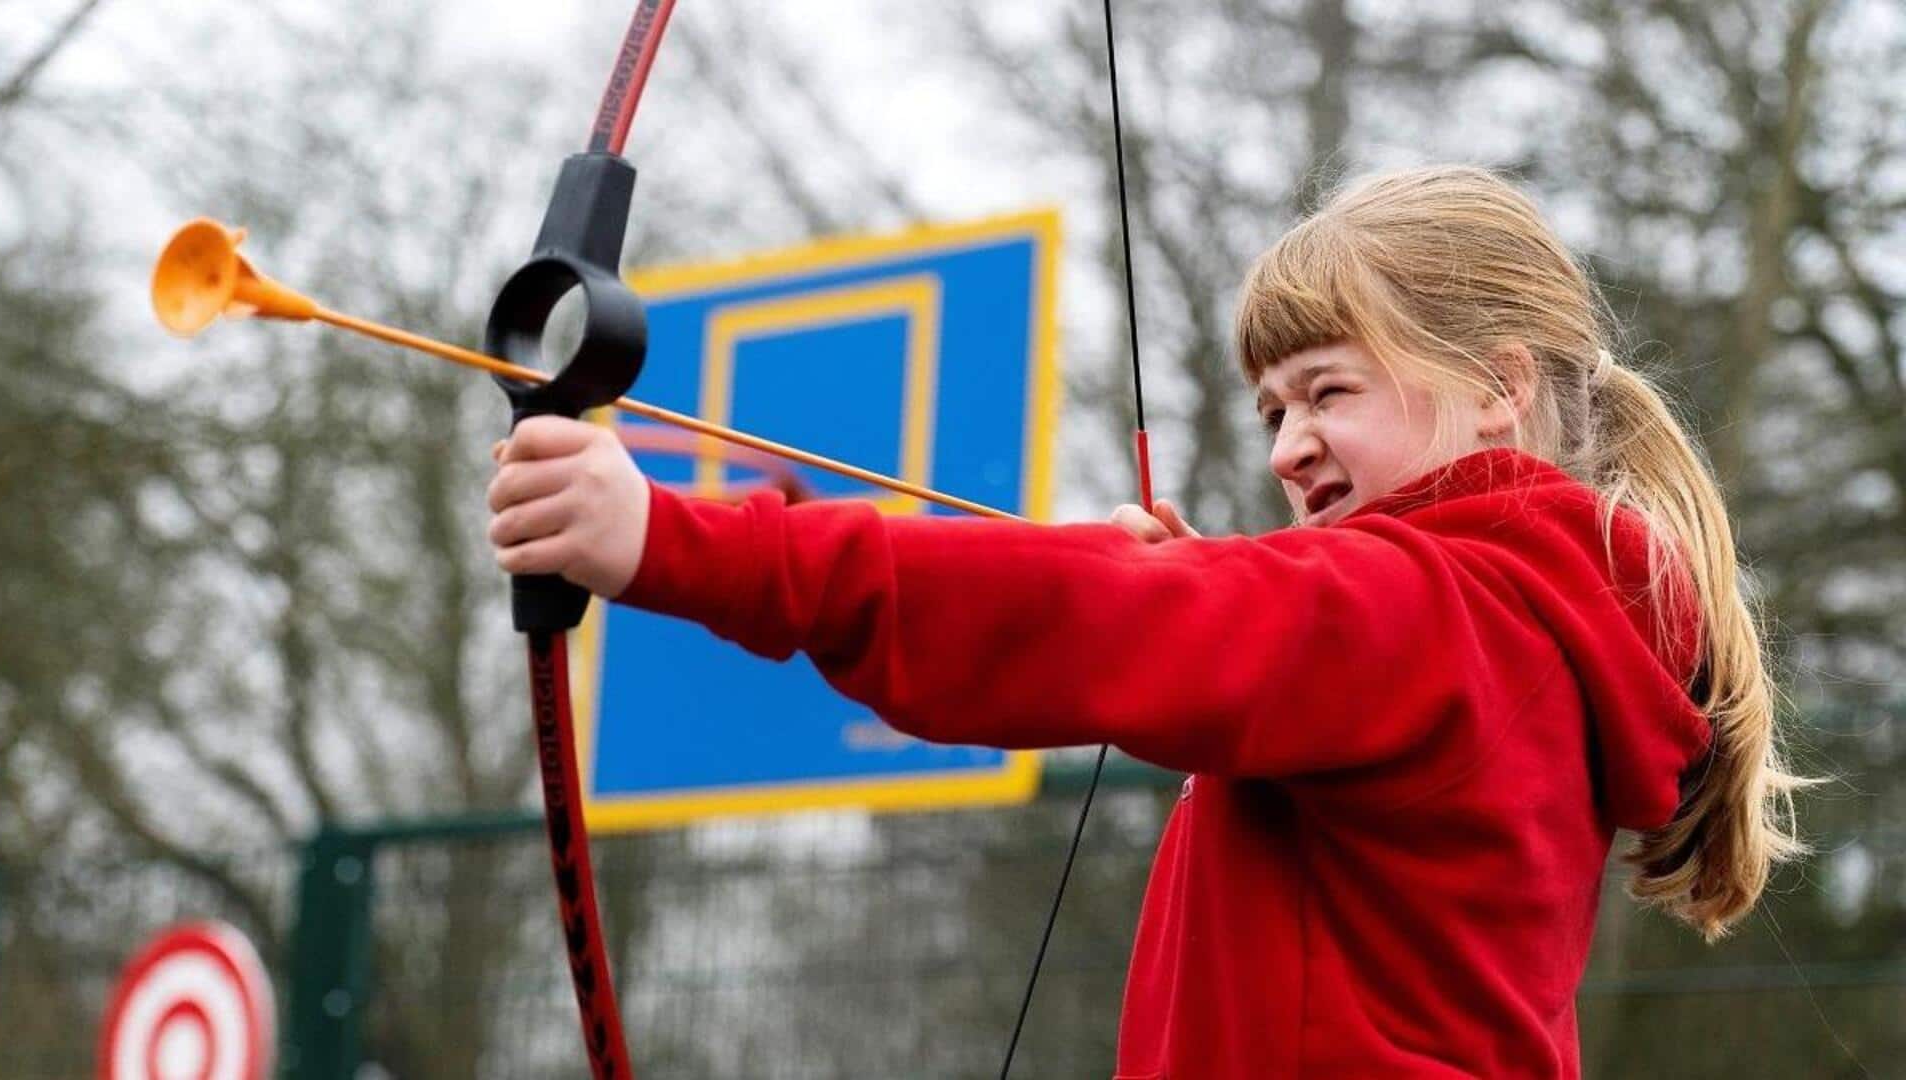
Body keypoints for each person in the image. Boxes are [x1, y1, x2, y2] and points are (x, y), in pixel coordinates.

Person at [485, 165, 1805, 1078]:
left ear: (1498, 389)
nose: (1292, 448)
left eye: (1328, 391)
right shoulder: (1513, 626)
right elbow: (1125, 609)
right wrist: (1149, 584)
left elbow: (1079, 623)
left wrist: (666, 539)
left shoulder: (1427, 611)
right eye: (1272, 410)